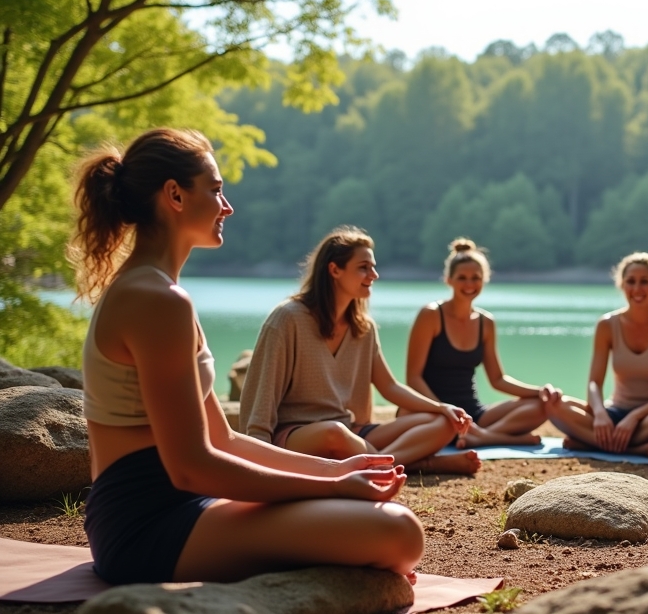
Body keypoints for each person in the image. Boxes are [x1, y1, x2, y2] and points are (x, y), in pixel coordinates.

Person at [73, 128, 422, 585]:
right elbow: (190, 467)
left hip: (180, 507)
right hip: (146, 526)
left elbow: (225, 440)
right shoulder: (155, 300)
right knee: (398, 532)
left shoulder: (161, 293)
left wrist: (337, 469)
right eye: (216, 190)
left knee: (377, 514)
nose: (227, 206)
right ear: (175, 195)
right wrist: (332, 486)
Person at [239, 227, 480, 475]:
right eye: (364, 267)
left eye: (373, 267)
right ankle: (411, 463)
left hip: (351, 430)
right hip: (297, 435)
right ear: (335, 270)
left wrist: (442, 408)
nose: (374, 274)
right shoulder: (287, 319)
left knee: (443, 423)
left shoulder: (363, 328)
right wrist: (260, 453)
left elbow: (390, 387)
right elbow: (262, 395)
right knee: (333, 434)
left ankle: (387, 464)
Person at [404, 238, 560, 448]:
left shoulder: (486, 322)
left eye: (475, 278)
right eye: (462, 278)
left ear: (484, 279)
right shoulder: (431, 315)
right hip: (433, 411)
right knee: (409, 416)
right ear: (448, 280)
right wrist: (442, 409)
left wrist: (540, 391)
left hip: (472, 412)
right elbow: (413, 378)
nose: (469, 284)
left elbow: (497, 379)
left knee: (541, 406)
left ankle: (477, 435)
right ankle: (491, 438)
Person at [545, 252, 648, 457]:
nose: (637, 289)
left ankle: (591, 443)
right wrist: (601, 413)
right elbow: (594, 383)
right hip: (615, 413)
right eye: (631, 281)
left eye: (644, 282)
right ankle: (631, 449)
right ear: (621, 284)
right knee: (555, 406)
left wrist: (635, 417)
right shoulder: (607, 324)